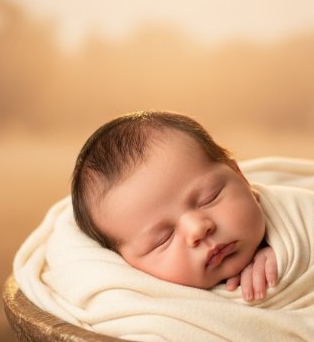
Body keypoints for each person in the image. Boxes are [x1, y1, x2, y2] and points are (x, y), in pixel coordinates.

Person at [71, 111, 278, 302]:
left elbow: (297, 218)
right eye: (163, 239)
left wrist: (282, 248)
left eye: (209, 198)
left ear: (239, 175)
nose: (197, 229)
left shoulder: (290, 217)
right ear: (126, 263)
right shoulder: (145, 307)